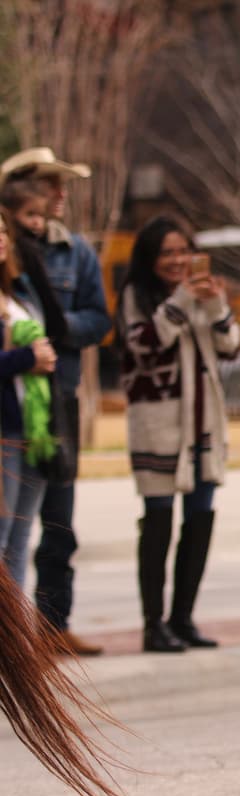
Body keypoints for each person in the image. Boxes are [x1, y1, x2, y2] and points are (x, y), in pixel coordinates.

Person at [0, 147, 111, 657]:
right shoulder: (14, 259)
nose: (60, 195)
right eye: (51, 184)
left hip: (54, 402)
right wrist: (27, 354)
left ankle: (49, 626)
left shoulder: (74, 251)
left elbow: (98, 319)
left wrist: (60, 333)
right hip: (14, 408)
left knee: (56, 524)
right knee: (11, 531)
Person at [115, 216, 240, 653]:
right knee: (158, 518)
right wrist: (183, 298)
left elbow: (230, 346)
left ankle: (183, 618)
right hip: (160, 427)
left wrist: (216, 304)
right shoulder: (136, 295)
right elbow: (143, 345)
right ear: (151, 258)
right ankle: (154, 625)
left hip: (204, 425)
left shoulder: (202, 295)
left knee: (200, 516)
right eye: (167, 252)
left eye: (183, 250)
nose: (177, 260)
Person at [0, 208, 66, 596]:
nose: (2, 237)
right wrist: (29, 358)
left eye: (3, 229)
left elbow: (54, 327)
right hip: (4, 430)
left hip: (33, 425)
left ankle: (17, 648)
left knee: (19, 541)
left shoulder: (18, 290)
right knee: (2, 538)